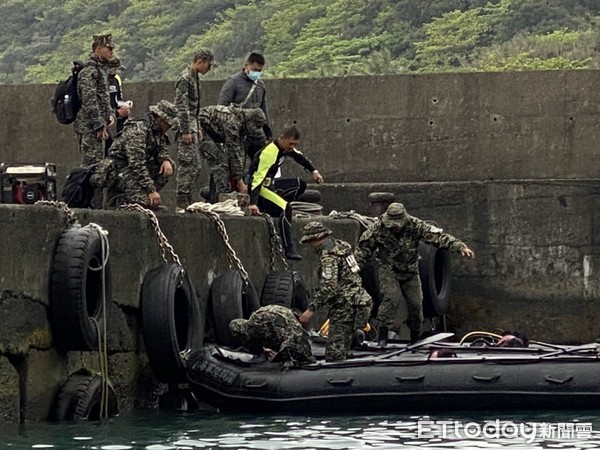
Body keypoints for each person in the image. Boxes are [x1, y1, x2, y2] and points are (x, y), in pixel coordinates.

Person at [356, 202, 476, 346]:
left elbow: (437, 237)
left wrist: (459, 246)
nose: (394, 228)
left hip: (410, 270)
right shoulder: (378, 228)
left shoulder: (415, 225)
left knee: (416, 304)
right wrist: (354, 269)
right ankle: (382, 333)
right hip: (388, 268)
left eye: (397, 225)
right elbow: (363, 250)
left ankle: (415, 335)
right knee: (390, 298)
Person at [299, 222, 372, 362]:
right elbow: (355, 271)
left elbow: (329, 287)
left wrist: (311, 309)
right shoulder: (343, 247)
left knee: (334, 353)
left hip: (344, 306)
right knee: (346, 345)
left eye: (310, 242)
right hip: (359, 300)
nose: (309, 245)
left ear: (316, 239)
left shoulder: (329, 258)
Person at [247, 126, 323, 260]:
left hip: (271, 185)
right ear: (282, 138)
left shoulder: (284, 149)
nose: (292, 146)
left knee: (300, 184)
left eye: (295, 144)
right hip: (260, 189)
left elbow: (299, 157)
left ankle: (276, 204)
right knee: (286, 209)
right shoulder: (270, 152)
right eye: (291, 143)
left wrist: (314, 172)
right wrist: (253, 203)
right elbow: (257, 179)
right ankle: (289, 248)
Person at [91, 100, 177, 209]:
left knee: (170, 165)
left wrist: (165, 160)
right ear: (161, 120)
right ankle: (123, 201)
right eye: (169, 124)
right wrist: (150, 190)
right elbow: (136, 163)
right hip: (118, 170)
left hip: (133, 170)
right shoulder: (138, 131)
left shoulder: (156, 130)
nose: (169, 127)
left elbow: (161, 148)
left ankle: (143, 197)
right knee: (144, 203)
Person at [197, 105, 266, 203]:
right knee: (220, 161)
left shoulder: (242, 123)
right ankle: (223, 197)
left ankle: (213, 193)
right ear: (250, 120)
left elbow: (239, 152)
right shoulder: (232, 122)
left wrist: (240, 175)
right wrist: (240, 182)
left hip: (213, 133)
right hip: (200, 129)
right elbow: (234, 152)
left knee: (230, 162)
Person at [174, 49, 215, 211]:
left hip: (192, 124)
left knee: (196, 165)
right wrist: (185, 130)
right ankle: (181, 199)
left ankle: (187, 197)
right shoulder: (185, 79)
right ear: (200, 61)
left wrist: (196, 127)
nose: (209, 69)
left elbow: (195, 108)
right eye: (208, 65)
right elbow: (182, 106)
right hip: (186, 126)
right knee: (188, 164)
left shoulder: (194, 78)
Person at [217, 52, 272, 159]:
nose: (256, 73)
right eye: (254, 69)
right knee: (235, 164)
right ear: (247, 65)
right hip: (238, 131)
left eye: (259, 71)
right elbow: (221, 107)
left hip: (256, 133)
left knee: (263, 160)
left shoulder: (260, 85)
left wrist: (268, 132)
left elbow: (263, 109)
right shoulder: (233, 82)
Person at [74, 34, 116, 167]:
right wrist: (98, 124)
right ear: (98, 49)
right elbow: (89, 100)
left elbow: (103, 97)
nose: (111, 52)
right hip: (89, 127)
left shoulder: (100, 70)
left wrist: (110, 113)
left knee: (99, 166)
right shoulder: (89, 71)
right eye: (108, 48)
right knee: (91, 167)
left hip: (98, 126)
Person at [229, 304, 315, 366]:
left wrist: (286, 359)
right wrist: (263, 350)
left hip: (288, 332)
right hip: (287, 322)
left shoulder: (255, 325)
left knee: (299, 353)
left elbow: (288, 337)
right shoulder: (256, 319)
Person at [105, 57, 131, 151]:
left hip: (113, 121)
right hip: (101, 124)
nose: (115, 73)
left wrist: (124, 106)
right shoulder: (98, 81)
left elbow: (117, 99)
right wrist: (117, 113)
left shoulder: (116, 80)